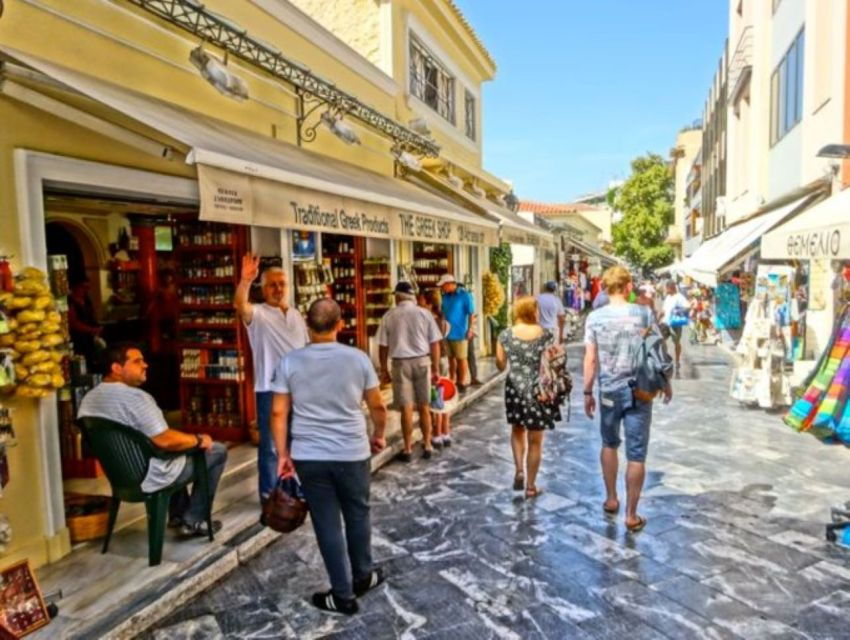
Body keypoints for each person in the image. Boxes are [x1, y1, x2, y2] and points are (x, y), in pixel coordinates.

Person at [270, 299, 387, 615]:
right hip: (352, 451)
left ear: (307, 326)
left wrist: (283, 453)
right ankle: (363, 575)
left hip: (309, 454)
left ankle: (342, 594)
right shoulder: (358, 359)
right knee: (358, 514)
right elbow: (378, 405)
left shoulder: (290, 362)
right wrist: (378, 434)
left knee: (327, 523)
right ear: (340, 325)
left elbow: (279, 411)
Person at [78, 343, 226, 537]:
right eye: (137, 361)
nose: (145, 365)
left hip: (120, 477)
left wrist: (185, 441)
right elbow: (164, 440)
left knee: (177, 449)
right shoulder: (136, 397)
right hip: (150, 475)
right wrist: (199, 440)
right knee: (216, 450)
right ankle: (193, 520)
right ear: (116, 368)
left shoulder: (89, 399)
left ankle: (178, 515)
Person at [583, 266, 672, 533]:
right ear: (628, 286)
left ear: (605, 288)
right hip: (640, 390)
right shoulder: (644, 314)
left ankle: (611, 498)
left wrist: (587, 392)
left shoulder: (595, 318)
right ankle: (631, 515)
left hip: (609, 389)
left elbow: (591, 358)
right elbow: (657, 351)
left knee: (609, 443)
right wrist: (666, 383)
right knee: (637, 454)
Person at [235, 254, 309, 504]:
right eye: (272, 285)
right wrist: (245, 281)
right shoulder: (258, 315)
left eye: (282, 284)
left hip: (299, 388)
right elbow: (240, 306)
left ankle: (293, 488)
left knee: (297, 439)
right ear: (263, 289)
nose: (278, 289)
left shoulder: (297, 315)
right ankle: (270, 494)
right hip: (269, 388)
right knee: (270, 446)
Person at [495, 296, 561, 499]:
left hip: (515, 388)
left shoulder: (505, 335)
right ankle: (531, 486)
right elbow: (555, 361)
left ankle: (518, 470)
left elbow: (500, 365)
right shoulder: (547, 334)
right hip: (538, 389)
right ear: (534, 312)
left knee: (517, 430)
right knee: (536, 440)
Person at [377, 282, 442, 462]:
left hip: (400, 364)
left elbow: (383, 345)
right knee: (424, 406)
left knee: (405, 408)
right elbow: (434, 343)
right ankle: (427, 444)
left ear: (398, 296)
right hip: (422, 361)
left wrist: (384, 369)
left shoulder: (389, 316)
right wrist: (435, 368)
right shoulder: (424, 314)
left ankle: (407, 448)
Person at [421, 290, 453, 448]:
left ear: (428, 303)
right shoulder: (442, 318)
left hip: (433, 360)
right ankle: (446, 432)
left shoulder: (427, 319)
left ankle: (436, 434)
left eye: (421, 301)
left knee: (434, 397)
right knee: (443, 396)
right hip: (444, 358)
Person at [438, 274, 476, 391]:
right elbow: (443, 314)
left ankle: (462, 381)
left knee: (461, 358)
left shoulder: (465, 295)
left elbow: (471, 314)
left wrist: (470, 329)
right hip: (447, 333)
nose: (442, 288)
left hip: (460, 332)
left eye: (443, 286)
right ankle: (452, 379)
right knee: (450, 358)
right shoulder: (444, 297)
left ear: (450, 284)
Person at [68, 277, 103, 366]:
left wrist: (97, 327)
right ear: (75, 287)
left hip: (89, 337)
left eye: (87, 288)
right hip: (78, 338)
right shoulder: (70, 301)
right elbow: (73, 323)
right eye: (83, 287)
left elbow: (92, 314)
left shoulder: (87, 300)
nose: (86, 290)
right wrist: (91, 329)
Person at [662, 281, 690, 370]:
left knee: (676, 342)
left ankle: (677, 360)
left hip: (675, 324)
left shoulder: (679, 297)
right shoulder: (668, 297)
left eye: (667, 288)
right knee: (661, 340)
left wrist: (677, 311)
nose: (666, 289)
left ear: (672, 288)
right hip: (665, 323)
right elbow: (664, 310)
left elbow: (687, 307)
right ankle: (664, 359)